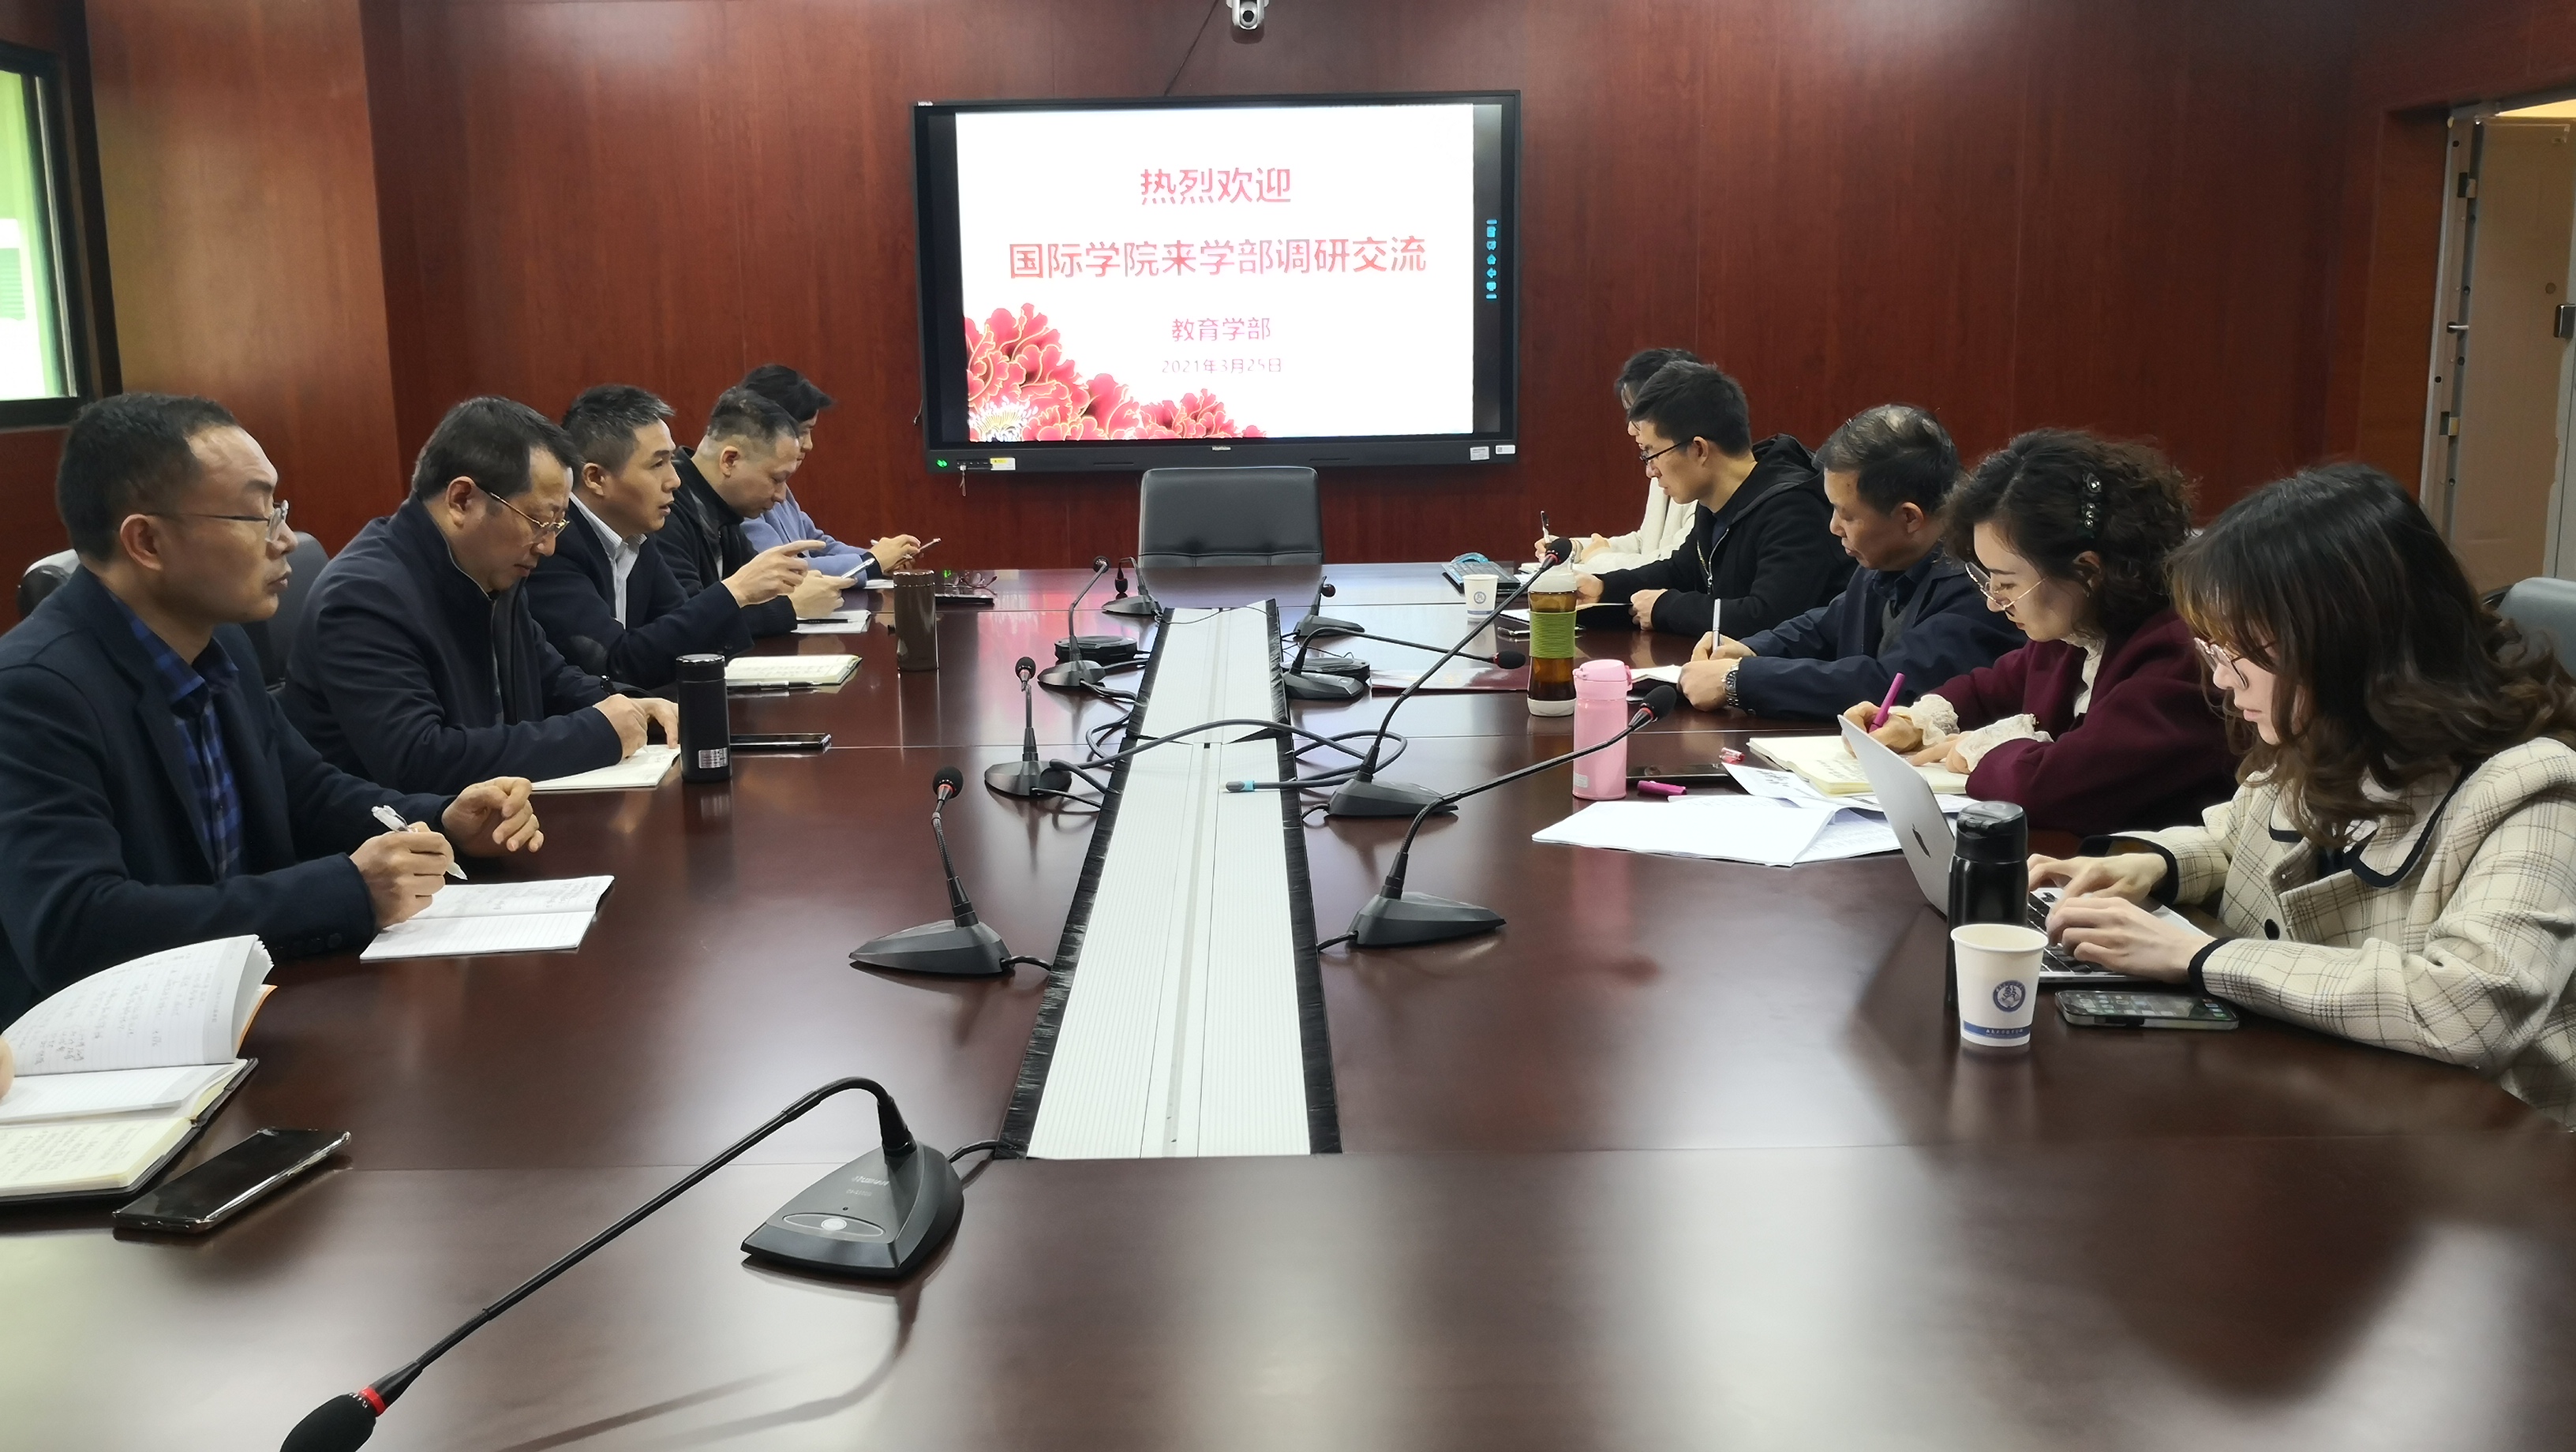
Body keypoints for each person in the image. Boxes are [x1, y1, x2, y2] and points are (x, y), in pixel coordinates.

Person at [2036, 464, 2576, 1125]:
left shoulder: (2534, 787)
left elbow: (2467, 1006)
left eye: (2241, 654)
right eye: (2214, 651)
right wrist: (2150, 864)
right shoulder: (2321, 732)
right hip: (2320, 1105)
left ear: (2345, 640)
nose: (2224, 682)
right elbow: (2234, 838)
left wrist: (2200, 957)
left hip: (2473, 1150)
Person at [0, 394, 545, 1023]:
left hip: (242, 1007)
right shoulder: (33, 691)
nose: (286, 539)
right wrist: (347, 890)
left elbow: (308, 792)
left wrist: (442, 821)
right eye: (258, 515)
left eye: (279, 511)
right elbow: (76, 927)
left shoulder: (219, 642)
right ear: (146, 540)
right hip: (110, 1042)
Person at [1848, 428, 2234, 836]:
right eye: (1988, 580)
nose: (1994, 603)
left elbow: (2053, 788)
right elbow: (1989, 688)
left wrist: (1980, 750)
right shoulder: (2080, 626)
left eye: (2007, 583)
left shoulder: (2181, 655)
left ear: (2087, 570)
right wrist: (1916, 722)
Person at [284, 397, 676, 794]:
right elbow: (420, 759)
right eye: (540, 522)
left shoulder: (491, 572)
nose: (548, 546)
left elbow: (553, 680)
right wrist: (597, 733)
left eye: (557, 525)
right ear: (462, 500)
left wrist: (632, 706)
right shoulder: (363, 597)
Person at [1678, 404, 2023, 717]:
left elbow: (1888, 685)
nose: (1834, 528)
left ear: (1909, 518)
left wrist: (1739, 680)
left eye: (1847, 515)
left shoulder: (1979, 585)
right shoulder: (1887, 560)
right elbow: (1826, 625)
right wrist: (1750, 650)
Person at [527, 384, 834, 687]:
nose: (675, 480)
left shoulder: (638, 536)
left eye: (671, 461)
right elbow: (615, 665)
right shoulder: (554, 545)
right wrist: (736, 591)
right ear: (596, 478)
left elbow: (682, 632)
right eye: (657, 464)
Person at [1575, 361, 1850, 639]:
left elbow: (1768, 616)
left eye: (1651, 454)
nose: (1650, 471)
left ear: (1699, 449)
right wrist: (1604, 587)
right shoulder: (1716, 503)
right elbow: (1680, 571)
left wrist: (1666, 607)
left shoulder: (1793, 508)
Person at [665, 387, 861, 638]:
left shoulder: (724, 511)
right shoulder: (666, 511)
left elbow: (763, 593)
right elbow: (686, 626)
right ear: (730, 461)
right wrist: (789, 608)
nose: (781, 496)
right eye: (776, 479)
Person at [736, 363, 919, 582]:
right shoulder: (743, 492)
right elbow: (781, 568)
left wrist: (881, 558)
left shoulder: (779, 485)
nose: (809, 445)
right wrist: (872, 562)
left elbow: (818, 545)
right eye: (802, 432)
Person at [1537, 347, 1703, 576]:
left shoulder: (1697, 474)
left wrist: (1598, 558)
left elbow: (1673, 565)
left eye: (1637, 416)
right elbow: (1646, 543)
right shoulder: (1661, 462)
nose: (1630, 430)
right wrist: (1577, 549)